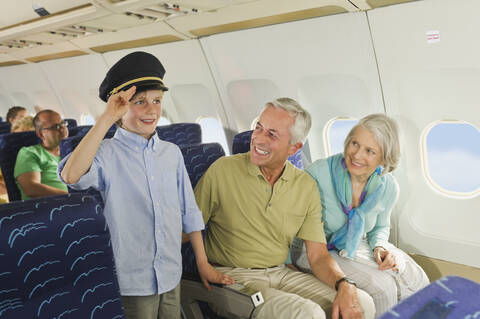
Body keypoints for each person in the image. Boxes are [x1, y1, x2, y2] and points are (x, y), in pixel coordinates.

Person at [58, 51, 233, 319]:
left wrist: (202, 263)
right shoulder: (107, 153)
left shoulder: (171, 153)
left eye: (157, 101)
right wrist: (105, 119)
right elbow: (70, 176)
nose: (151, 109)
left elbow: (189, 212)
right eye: (139, 102)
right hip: (133, 281)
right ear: (120, 107)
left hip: (170, 272)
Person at [194, 98, 375, 319]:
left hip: (280, 272)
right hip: (233, 279)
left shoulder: (305, 186)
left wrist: (344, 283)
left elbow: (317, 255)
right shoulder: (222, 170)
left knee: (361, 302)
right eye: (258, 128)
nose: (258, 139)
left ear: (294, 148)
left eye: (271, 134)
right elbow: (187, 227)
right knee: (309, 314)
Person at [289, 114, 429, 317]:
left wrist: (380, 247)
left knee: (416, 277)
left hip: (352, 244)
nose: (356, 155)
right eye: (354, 143)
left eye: (369, 151)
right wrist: (285, 263)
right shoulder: (318, 173)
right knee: (383, 288)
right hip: (311, 249)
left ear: (384, 158)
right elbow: (287, 219)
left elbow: (380, 227)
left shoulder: (387, 185)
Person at [14, 110, 69, 200]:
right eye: (56, 127)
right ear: (41, 134)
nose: (62, 128)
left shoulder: (72, 151)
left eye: (63, 123)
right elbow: (31, 188)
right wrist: (71, 196)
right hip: (49, 207)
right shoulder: (29, 153)